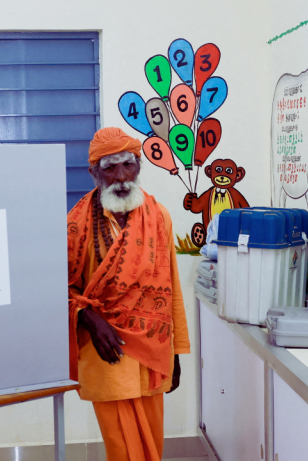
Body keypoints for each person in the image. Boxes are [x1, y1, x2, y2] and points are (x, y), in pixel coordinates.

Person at [67, 127, 190, 461]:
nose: (120, 177)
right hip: (106, 350)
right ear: (93, 172)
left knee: (152, 444)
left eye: (128, 165)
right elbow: (60, 292)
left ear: (138, 166)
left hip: (152, 351)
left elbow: (172, 287)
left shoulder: (158, 216)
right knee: (122, 448)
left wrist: (175, 354)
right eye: (109, 168)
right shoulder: (76, 226)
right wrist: (88, 318)